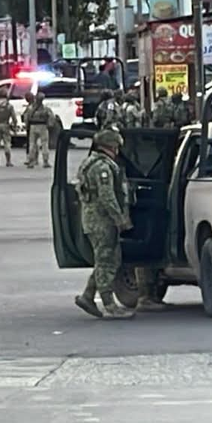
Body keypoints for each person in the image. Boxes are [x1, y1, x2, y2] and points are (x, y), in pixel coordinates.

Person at [74, 129, 135, 319]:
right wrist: (120, 219)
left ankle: (88, 296)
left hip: (95, 219)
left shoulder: (91, 162)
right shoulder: (102, 168)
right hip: (102, 221)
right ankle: (109, 304)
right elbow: (107, 197)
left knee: (107, 260)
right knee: (107, 262)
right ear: (111, 146)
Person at [25, 93, 54, 169]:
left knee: (32, 144)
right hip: (43, 126)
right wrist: (49, 125)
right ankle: (45, 161)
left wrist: (27, 126)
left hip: (33, 126)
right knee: (44, 144)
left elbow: (26, 118)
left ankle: (31, 161)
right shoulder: (46, 109)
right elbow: (51, 117)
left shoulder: (31, 109)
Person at [0, 93, 18, 167]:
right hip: (5, 125)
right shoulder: (9, 106)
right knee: (7, 143)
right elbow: (14, 118)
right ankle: (8, 161)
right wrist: (14, 127)